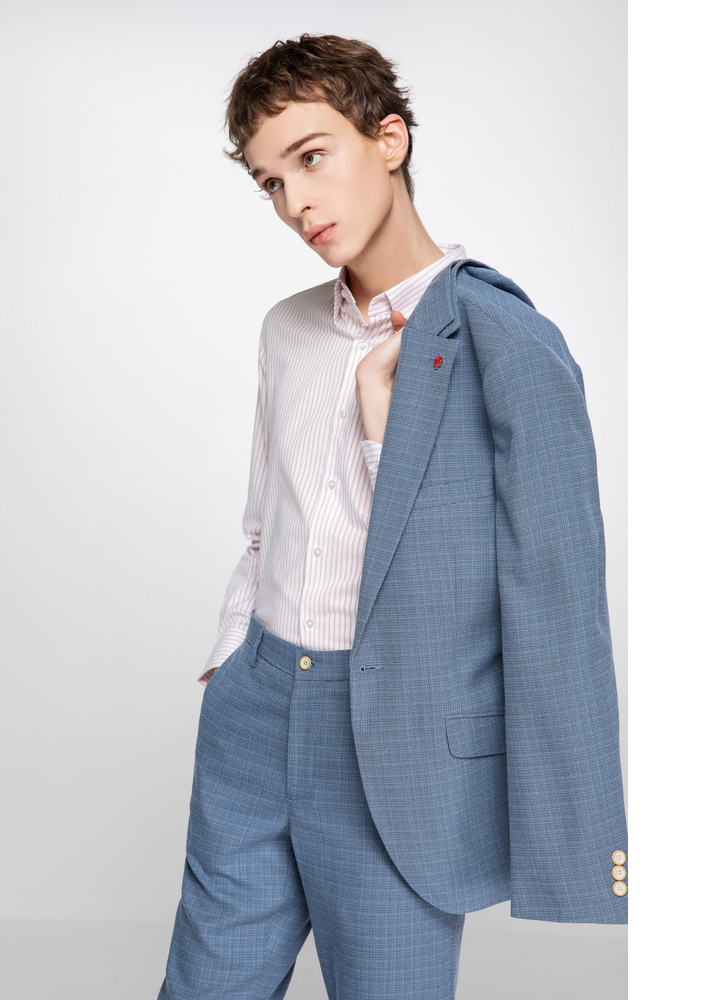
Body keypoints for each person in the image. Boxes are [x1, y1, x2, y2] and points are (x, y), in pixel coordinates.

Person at [158, 33, 627, 1000]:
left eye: (311, 157)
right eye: (271, 182)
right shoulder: (289, 330)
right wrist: (231, 657)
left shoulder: (506, 340)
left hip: (392, 747)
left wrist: (385, 431)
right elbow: (265, 521)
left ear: (390, 139)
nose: (295, 204)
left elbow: (554, 599)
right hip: (254, 714)